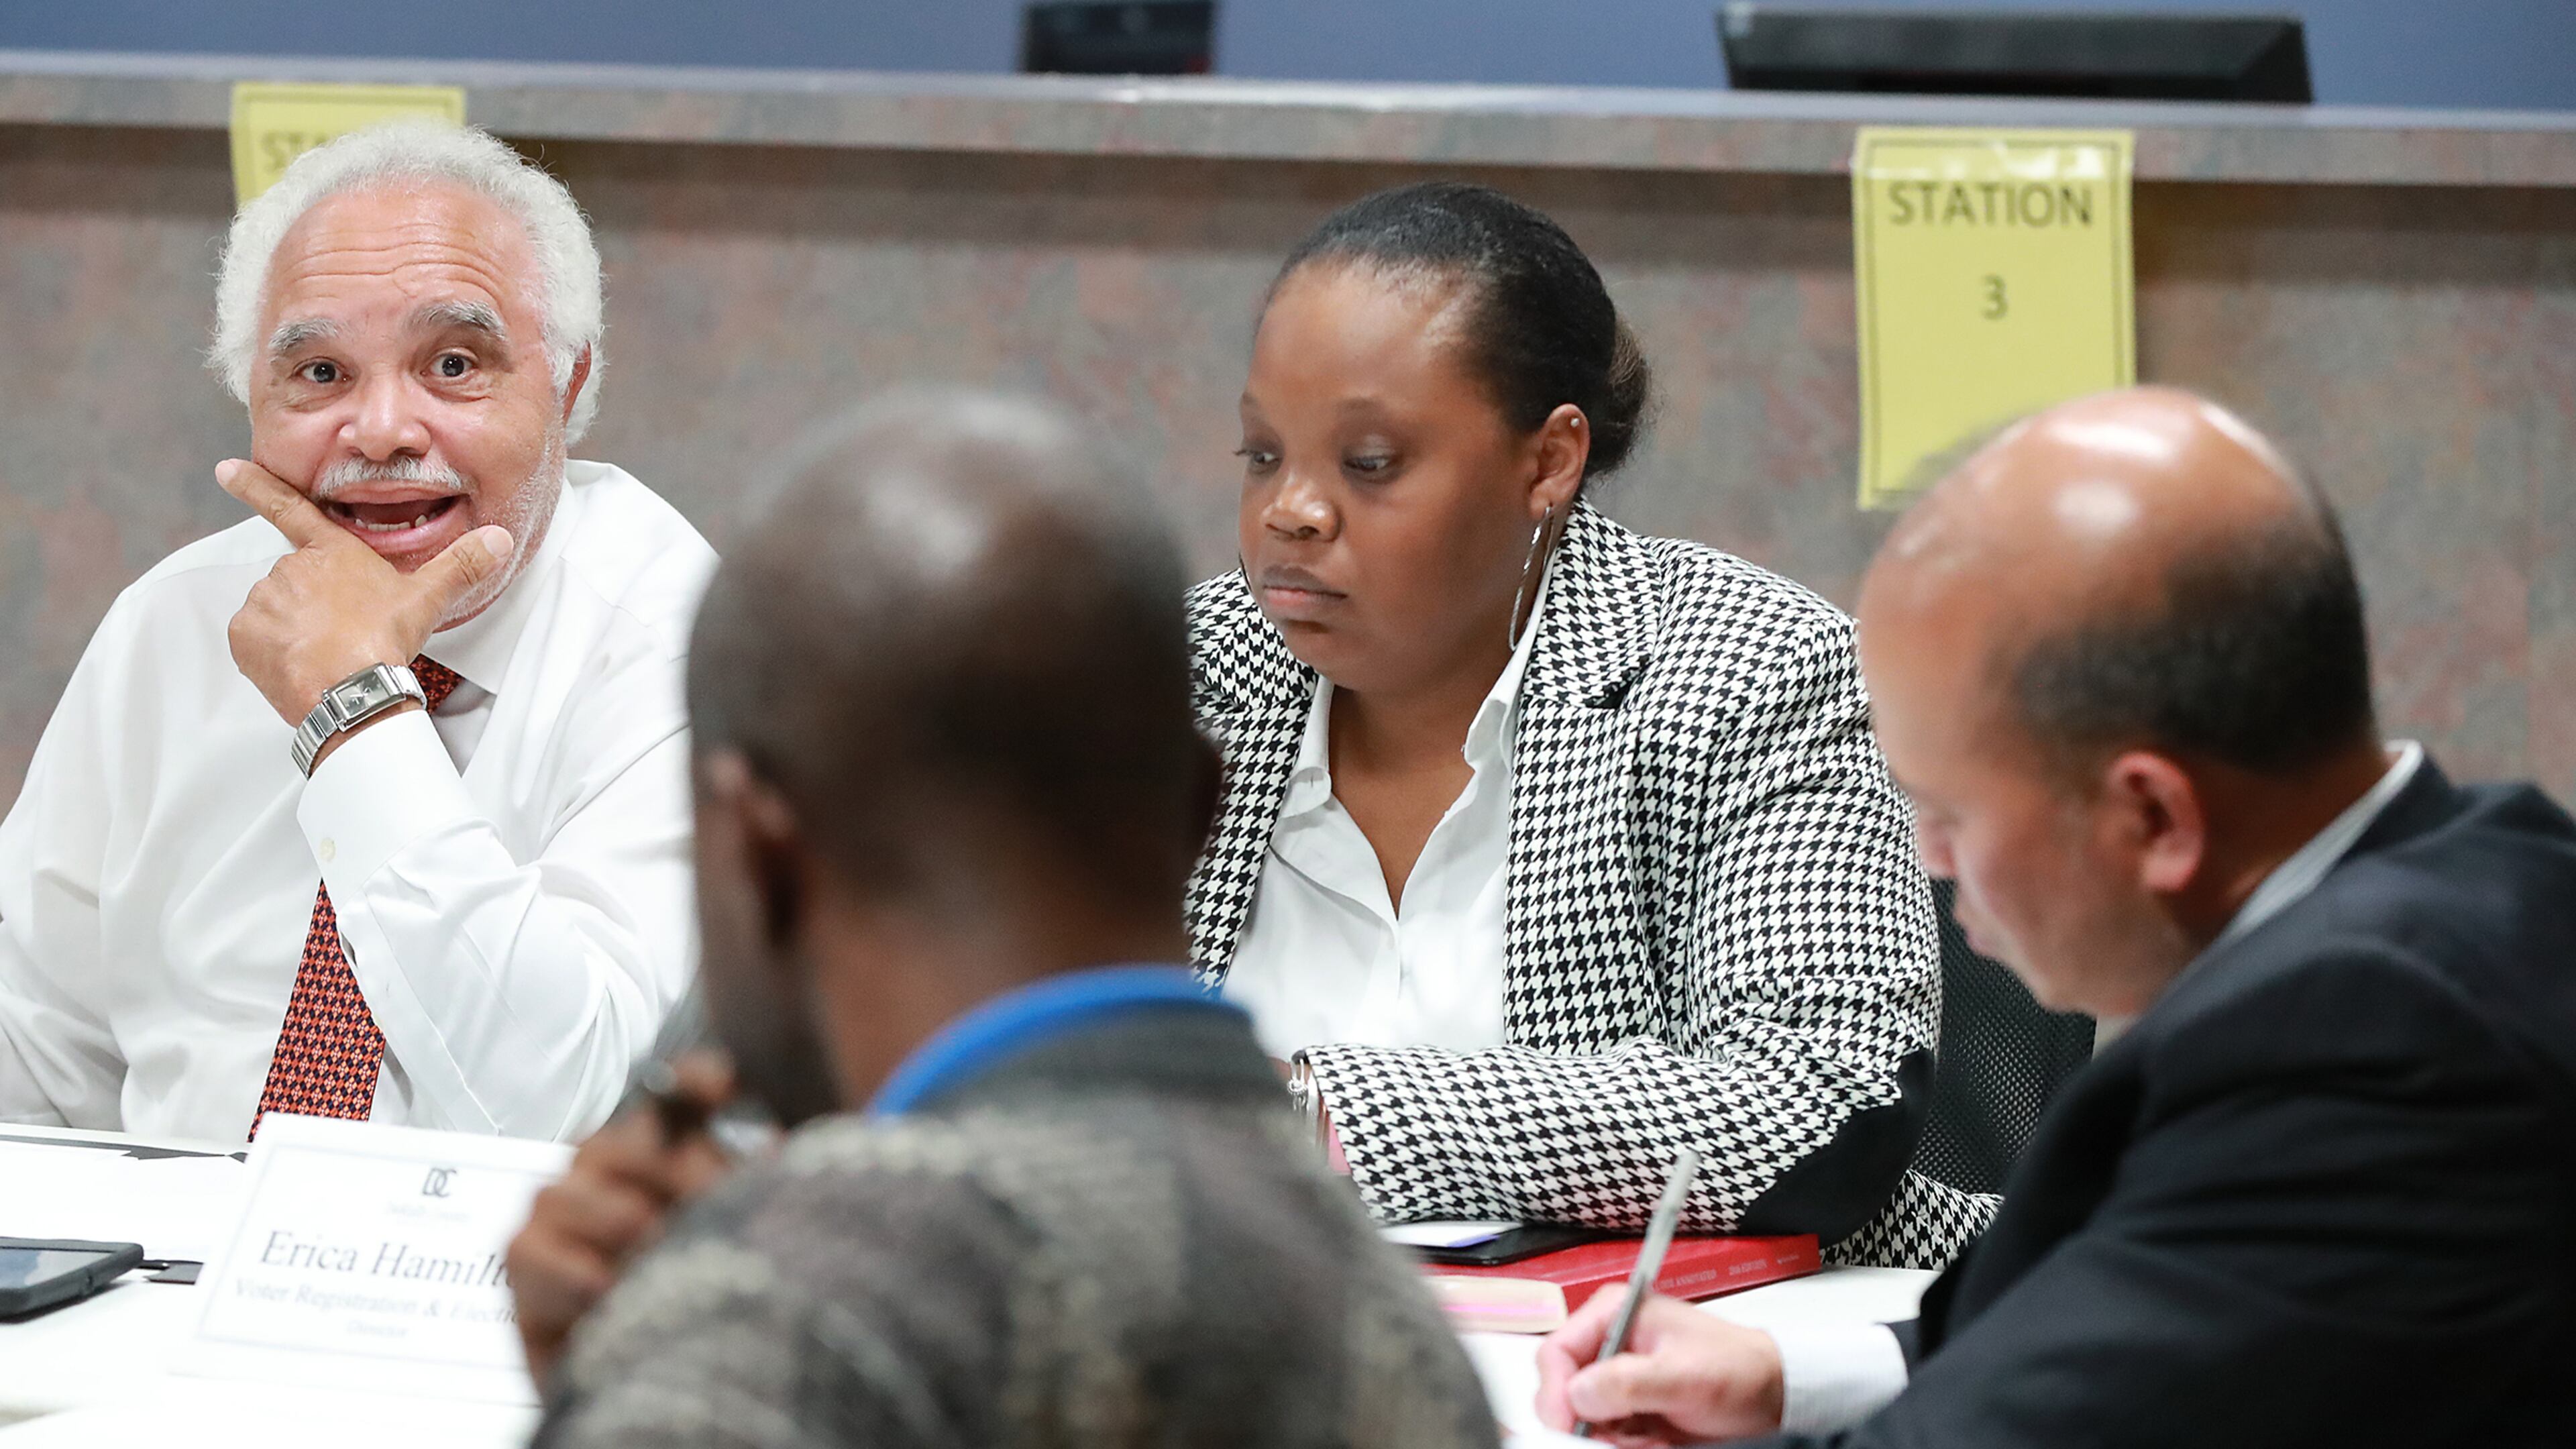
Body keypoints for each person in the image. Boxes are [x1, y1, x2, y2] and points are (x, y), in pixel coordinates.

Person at [1533, 386, 2576, 1446]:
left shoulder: (2364, 1037)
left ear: (2155, 815)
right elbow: (2105, 1324)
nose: (1929, 865)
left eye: (1944, 811)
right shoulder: (2502, 869)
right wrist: (1787, 1378)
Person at [513, 389, 1501, 1448]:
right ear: (1201, 812)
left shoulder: (782, 1318)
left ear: (760, 855)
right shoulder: (1402, 1332)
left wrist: (639, 1375)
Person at [1193, 180, 1969, 1256]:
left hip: (1659, 1371)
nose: (1293, 511)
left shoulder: (1748, 670)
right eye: (1263, 455)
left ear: (1548, 462)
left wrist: (1312, 1117)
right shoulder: (1171, 682)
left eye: (1368, 465)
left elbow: (1820, 1102)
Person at [0, 122, 711, 1140]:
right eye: (322, 374)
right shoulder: (173, 621)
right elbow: (37, 1050)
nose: (380, 431)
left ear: (566, 383)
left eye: (454, 363)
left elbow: (566, 1102)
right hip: (166, 1274)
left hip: (502, 1286)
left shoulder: (674, 639)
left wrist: (355, 709)